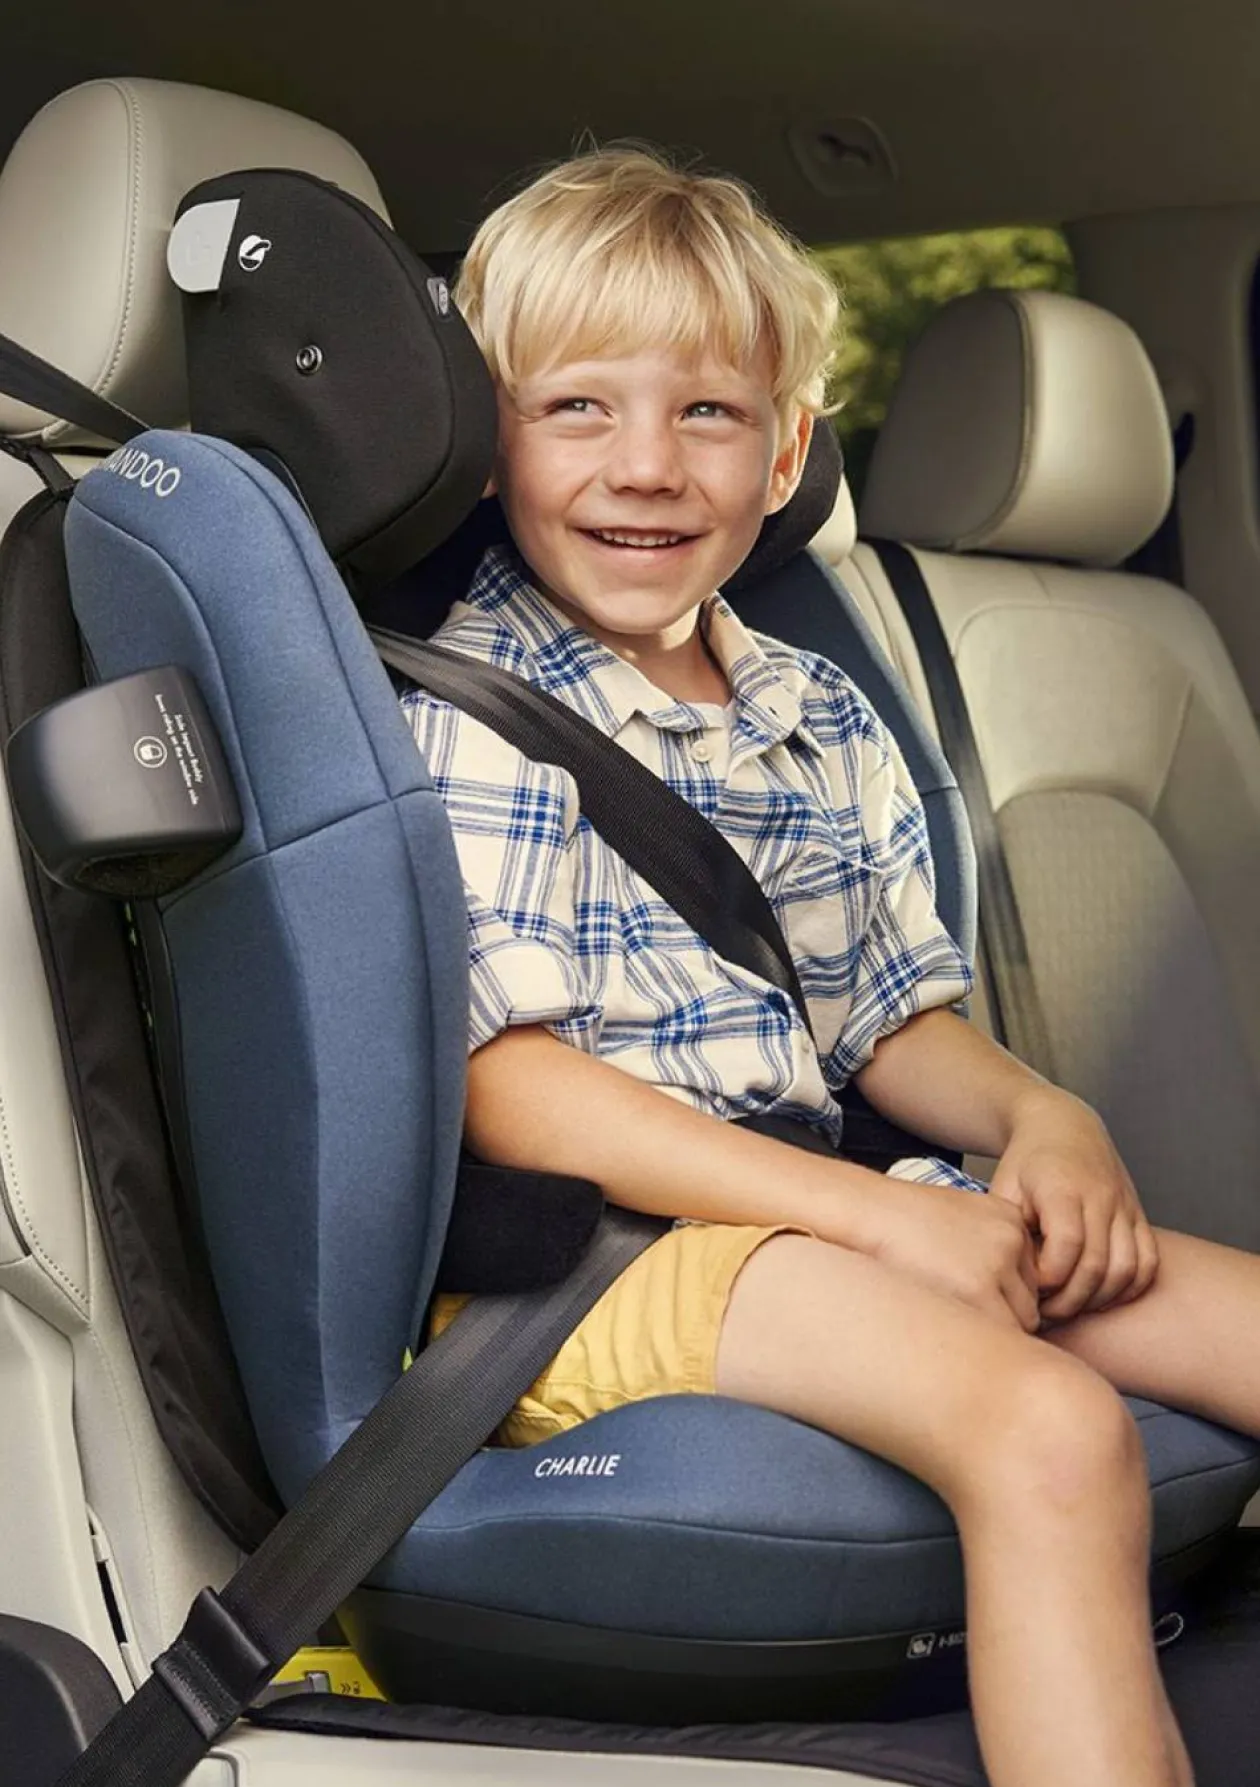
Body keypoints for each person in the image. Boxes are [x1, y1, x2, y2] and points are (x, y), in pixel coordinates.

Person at [402, 145, 1260, 1787]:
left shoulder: (814, 709)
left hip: (811, 1219)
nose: (647, 466)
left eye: (707, 413)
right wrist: (877, 1218)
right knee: (1052, 1428)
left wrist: (1042, 1117)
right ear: (488, 438)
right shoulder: (469, 714)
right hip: (589, 1264)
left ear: (787, 449)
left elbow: (885, 1020)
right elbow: (507, 1089)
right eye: (577, 408)